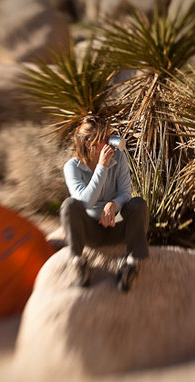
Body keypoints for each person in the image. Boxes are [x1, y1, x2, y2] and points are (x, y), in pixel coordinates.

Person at [61, 116, 149, 292]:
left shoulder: (119, 157)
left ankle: (130, 265)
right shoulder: (72, 167)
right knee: (69, 205)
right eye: (104, 139)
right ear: (88, 143)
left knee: (139, 204)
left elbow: (126, 193)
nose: (110, 143)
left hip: (116, 226)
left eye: (110, 136)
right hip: (90, 232)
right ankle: (80, 265)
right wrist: (101, 167)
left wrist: (113, 205)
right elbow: (84, 202)